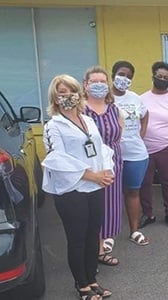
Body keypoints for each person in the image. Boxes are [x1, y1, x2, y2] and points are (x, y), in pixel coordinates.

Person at [41, 74, 114, 299]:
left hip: (95, 188)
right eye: (62, 93)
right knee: (77, 238)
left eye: (71, 91)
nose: (67, 96)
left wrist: (106, 171)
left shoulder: (88, 120)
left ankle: (92, 279)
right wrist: (91, 175)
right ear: (55, 97)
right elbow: (57, 159)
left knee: (93, 235)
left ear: (79, 93)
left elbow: (100, 148)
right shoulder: (53, 126)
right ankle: (81, 284)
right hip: (72, 191)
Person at [139, 61, 168, 228]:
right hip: (145, 149)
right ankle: (147, 213)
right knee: (144, 182)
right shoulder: (141, 99)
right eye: (159, 76)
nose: (162, 79)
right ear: (153, 77)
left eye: (165, 77)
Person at [82, 66, 122, 267]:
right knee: (91, 207)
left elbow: (118, 134)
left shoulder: (114, 109)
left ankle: (100, 249)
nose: (99, 85)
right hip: (90, 167)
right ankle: (90, 253)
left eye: (102, 81)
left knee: (108, 206)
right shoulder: (80, 110)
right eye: (94, 81)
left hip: (113, 163)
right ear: (85, 85)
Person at [111, 60, 150, 246]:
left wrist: (141, 133)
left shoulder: (135, 97)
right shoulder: (104, 98)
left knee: (133, 192)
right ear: (113, 75)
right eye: (121, 74)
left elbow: (145, 114)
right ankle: (108, 234)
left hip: (135, 153)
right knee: (111, 194)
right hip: (110, 155)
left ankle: (134, 230)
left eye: (128, 76)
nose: (124, 79)